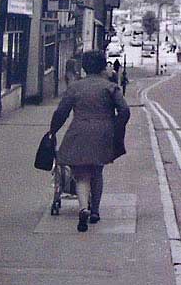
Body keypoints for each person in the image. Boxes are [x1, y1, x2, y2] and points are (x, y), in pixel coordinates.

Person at [49, 50, 130, 232]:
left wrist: (52, 130)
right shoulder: (110, 87)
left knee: (82, 175)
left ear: (84, 67)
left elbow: (62, 112)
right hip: (103, 132)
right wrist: (116, 127)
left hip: (79, 131)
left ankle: (83, 208)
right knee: (97, 171)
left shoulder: (75, 87)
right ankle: (95, 211)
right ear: (102, 66)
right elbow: (124, 110)